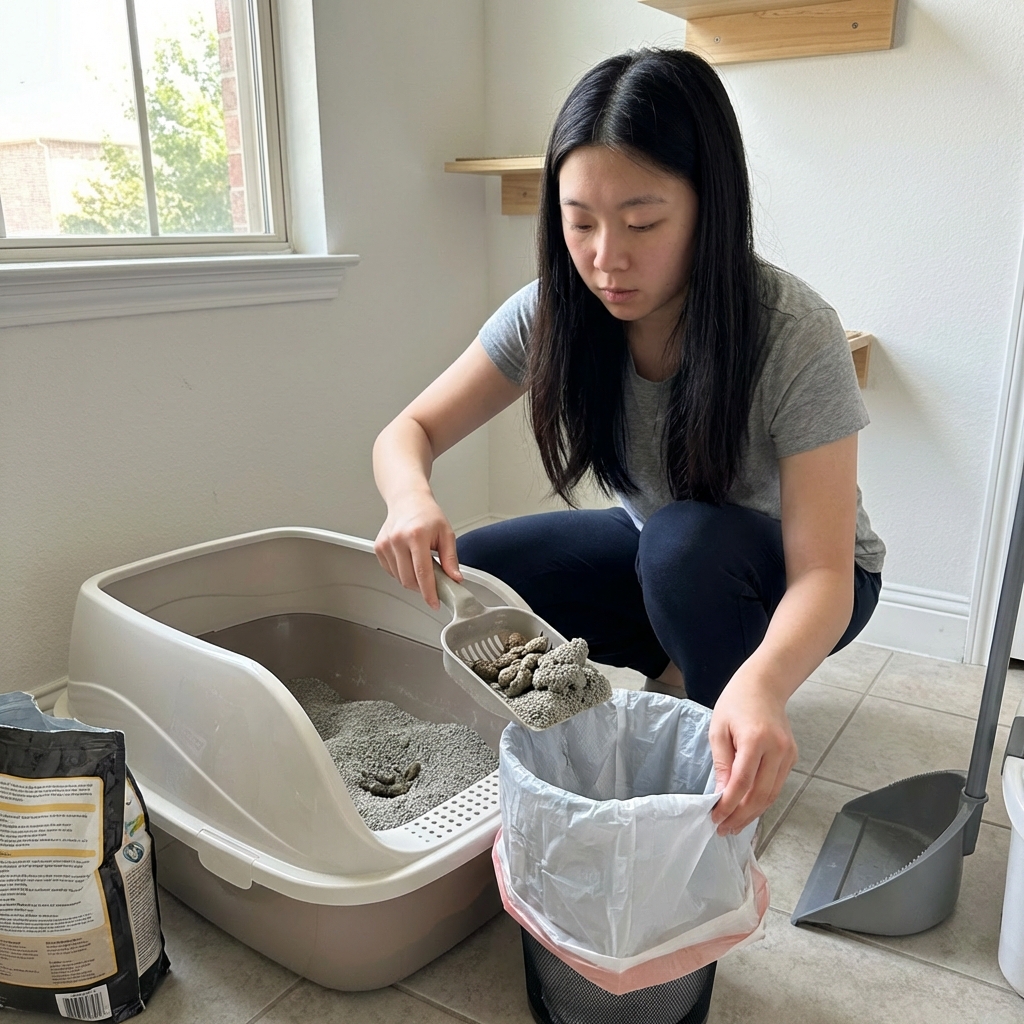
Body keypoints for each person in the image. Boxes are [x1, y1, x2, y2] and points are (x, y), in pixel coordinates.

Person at [373, 48, 884, 838]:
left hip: (805, 575)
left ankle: (716, 740)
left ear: (709, 207)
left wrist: (762, 684)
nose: (605, 258)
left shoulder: (792, 331)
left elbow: (823, 572)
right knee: (481, 571)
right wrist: (410, 499)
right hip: (665, 550)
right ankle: (655, 679)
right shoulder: (554, 309)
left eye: (643, 223)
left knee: (684, 547)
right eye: (580, 222)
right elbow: (408, 430)